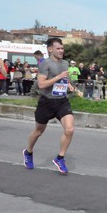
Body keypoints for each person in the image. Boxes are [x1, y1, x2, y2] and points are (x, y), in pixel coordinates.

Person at [23, 37, 76, 174]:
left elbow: (65, 79)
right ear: (50, 49)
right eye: (58, 48)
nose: (61, 51)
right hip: (46, 102)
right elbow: (41, 85)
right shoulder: (45, 64)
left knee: (69, 129)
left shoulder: (65, 63)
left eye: (62, 48)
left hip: (62, 101)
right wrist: (58, 77)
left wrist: (69, 85)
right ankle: (28, 152)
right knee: (38, 132)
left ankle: (60, 158)